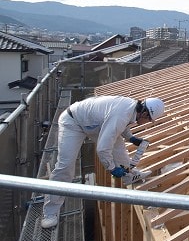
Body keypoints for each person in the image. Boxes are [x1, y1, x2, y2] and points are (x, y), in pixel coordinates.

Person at [41, 96, 165, 228]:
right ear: (145, 113)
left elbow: (119, 125)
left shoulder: (131, 109)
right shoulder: (123, 113)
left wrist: (131, 138)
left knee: (119, 150)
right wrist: (111, 168)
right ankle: (50, 212)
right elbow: (102, 149)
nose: (148, 122)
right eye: (149, 119)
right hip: (73, 122)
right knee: (65, 166)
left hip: (94, 123)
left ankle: (129, 176)